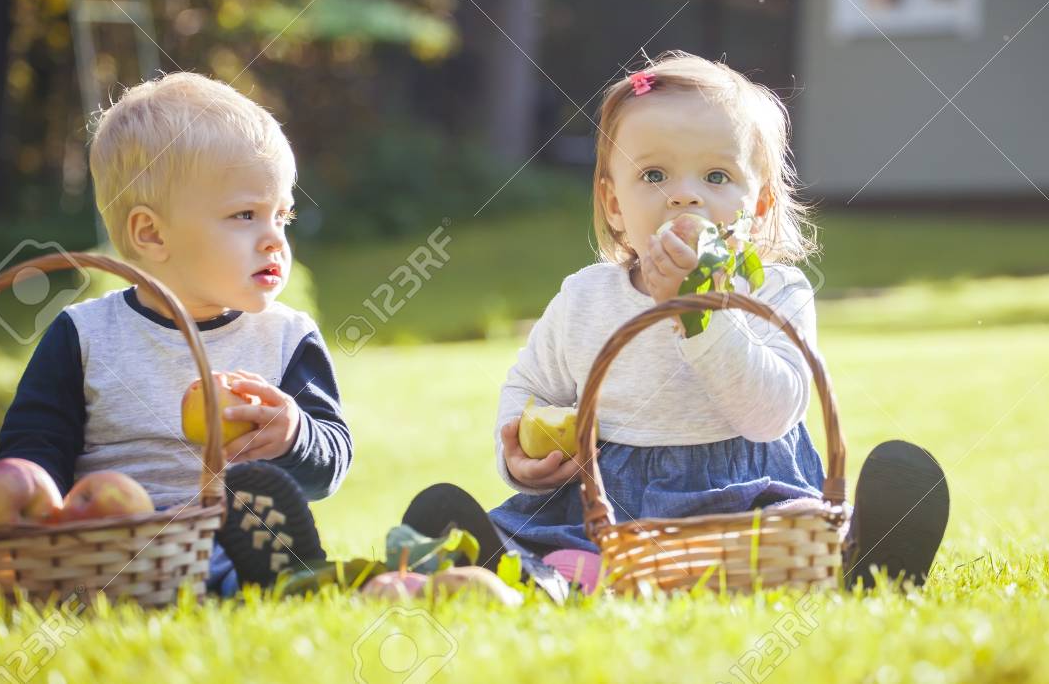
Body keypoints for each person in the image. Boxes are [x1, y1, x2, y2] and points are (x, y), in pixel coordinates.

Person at [404, 52, 949, 593]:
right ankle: (537, 572)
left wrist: (699, 315)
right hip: (611, 514)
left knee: (806, 525)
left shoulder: (776, 292)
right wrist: (519, 456)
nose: (684, 194)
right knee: (515, 529)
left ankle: (863, 561)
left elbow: (774, 413)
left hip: (747, 501)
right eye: (655, 174)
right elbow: (530, 387)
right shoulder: (585, 299)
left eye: (716, 175)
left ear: (758, 206)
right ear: (614, 204)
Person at [0, 72, 344, 594]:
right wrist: (38, 522)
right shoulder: (84, 336)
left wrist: (294, 433)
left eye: (282, 216)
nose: (274, 239)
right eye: (245, 214)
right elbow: (32, 450)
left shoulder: (286, 337)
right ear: (152, 233)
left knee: (238, 543)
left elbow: (329, 463)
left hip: (226, 538)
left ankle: (281, 573)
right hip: (104, 545)